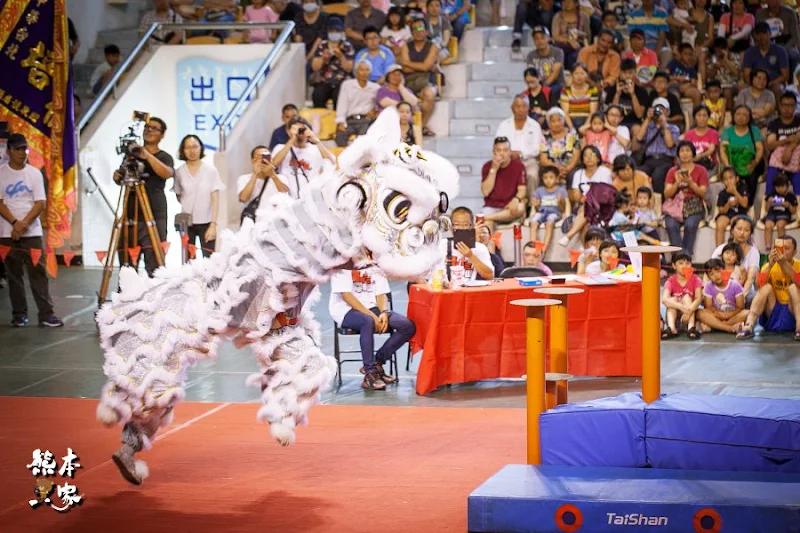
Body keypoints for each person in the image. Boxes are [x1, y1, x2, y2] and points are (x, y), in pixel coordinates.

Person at [0, 134, 63, 327]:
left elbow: (40, 203)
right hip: (6, 231)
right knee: (14, 275)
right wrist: (14, 222)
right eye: (18, 149)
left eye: (24, 149)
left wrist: (23, 224)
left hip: (32, 232)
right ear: (9, 151)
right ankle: (19, 314)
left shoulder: (34, 173)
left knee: (38, 274)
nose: (22, 153)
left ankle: (46, 314)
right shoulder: (1, 172)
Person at [329, 266, 414, 390]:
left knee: (407, 326)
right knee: (367, 321)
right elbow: (347, 296)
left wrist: (383, 312)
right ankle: (370, 373)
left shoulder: (375, 264)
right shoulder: (341, 265)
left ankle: (377, 362)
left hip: (373, 308)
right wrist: (372, 316)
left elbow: (381, 294)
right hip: (346, 310)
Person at [113, 117, 175, 277]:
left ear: (162, 135)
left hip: (154, 214)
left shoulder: (164, 157)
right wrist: (117, 176)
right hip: (131, 213)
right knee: (127, 264)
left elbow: (166, 173)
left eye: (155, 128)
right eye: (147, 127)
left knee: (155, 264)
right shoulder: (131, 157)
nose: (149, 130)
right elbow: (121, 178)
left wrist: (146, 154)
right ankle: (125, 296)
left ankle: (155, 299)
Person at [737, 236, 800, 339]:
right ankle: (749, 326)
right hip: (773, 310)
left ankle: (799, 327)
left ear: (795, 251)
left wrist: (784, 264)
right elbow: (759, 285)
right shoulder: (768, 266)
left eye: (787, 248)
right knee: (766, 288)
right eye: (780, 247)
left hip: (793, 309)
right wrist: (770, 264)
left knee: (793, 287)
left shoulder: (799, 265)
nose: (782, 251)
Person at [173, 135, 225, 258]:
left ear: (201, 148)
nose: (192, 151)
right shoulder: (179, 172)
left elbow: (215, 198)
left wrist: (213, 224)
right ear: (182, 150)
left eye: (195, 146)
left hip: (206, 222)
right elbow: (178, 195)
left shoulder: (210, 170)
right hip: (186, 223)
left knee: (209, 258)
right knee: (188, 260)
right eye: (188, 147)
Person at [663, 140, 709, 257]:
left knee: (690, 224)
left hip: (694, 206)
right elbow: (667, 194)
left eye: (688, 150)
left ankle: (686, 257)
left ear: (693, 153)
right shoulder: (672, 171)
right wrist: (677, 182)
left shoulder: (701, 170)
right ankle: (678, 258)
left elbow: (703, 193)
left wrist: (690, 182)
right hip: (675, 207)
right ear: (678, 154)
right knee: (671, 224)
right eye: (682, 151)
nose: (685, 153)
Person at [271, 118, 336, 198]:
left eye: (302, 129)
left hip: (310, 196)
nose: (299, 133)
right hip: (288, 197)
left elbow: (333, 163)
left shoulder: (315, 149)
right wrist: (292, 139)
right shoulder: (280, 148)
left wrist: (317, 141)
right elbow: (273, 164)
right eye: (296, 129)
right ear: (288, 131)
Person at [495, 95, 545, 192]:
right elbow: (497, 144)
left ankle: (531, 206)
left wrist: (520, 154)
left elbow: (537, 148)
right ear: (512, 108)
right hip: (507, 161)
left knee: (532, 175)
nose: (521, 109)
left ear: (528, 108)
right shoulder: (504, 125)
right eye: (518, 106)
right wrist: (508, 155)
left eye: (524, 106)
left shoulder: (535, 125)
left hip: (529, 161)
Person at [480, 137, 527, 230]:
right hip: (491, 207)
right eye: (498, 150)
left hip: (509, 207)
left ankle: (485, 217)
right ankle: (491, 242)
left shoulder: (519, 166)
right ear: (493, 152)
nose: (502, 154)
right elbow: (485, 192)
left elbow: (522, 190)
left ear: (510, 152)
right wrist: (494, 169)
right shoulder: (487, 166)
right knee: (487, 226)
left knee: (520, 207)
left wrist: (516, 199)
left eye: (505, 150)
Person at [438, 206, 495, 281]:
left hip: (469, 290)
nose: (461, 228)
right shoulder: (442, 245)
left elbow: (490, 275)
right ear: (451, 227)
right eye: (457, 224)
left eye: (465, 224)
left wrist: (470, 256)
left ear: (472, 226)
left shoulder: (480, 248)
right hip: (447, 290)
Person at [697, 258, 748, 333]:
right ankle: (728, 328)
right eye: (711, 274)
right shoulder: (708, 286)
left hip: (733, 315)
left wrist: (727, 315)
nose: (716, 275)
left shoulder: (735, 285)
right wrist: (719, 313)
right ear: (708, 277)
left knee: (747, 313)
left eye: (718, 271)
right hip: (717, 315)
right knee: (699, 312)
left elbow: (740, 307)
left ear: (724, 270)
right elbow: (709, 306)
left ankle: (716, 326)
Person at [334, 61, 379, 147]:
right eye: (361, 70)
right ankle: (344, 159)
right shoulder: (347, 85)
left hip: (366, 121)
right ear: (356, 72)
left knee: (364, 139)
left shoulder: (375, 87)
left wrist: (374, 111)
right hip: (349, 120)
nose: (364, 73)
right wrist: (340, 122)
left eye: (367, 70)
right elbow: (342, 104)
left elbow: (379, 106)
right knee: (340, 136)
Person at [237, 146, 289, 219]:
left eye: (266, 157)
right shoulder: (244, 178)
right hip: (252, 221)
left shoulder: (281, 178)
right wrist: (255, 174)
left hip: (274, 220)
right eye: (259, 157)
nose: (263, 160)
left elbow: (285, 193)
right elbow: (243, 198)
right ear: (253, 161)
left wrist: (273, 175)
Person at [661, 251, 703, 339]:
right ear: (674, 266)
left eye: (687, 263)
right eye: (681, 263)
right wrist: (681, 307)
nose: (685, 266)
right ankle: (672, 329)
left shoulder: (696, 279)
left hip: (690, 315)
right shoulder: (671, 281)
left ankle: (691, 328)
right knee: (672, 300)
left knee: (687, 297)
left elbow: (698, 299)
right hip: (674, 315)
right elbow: (664, 300)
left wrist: (689, 310)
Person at [528, 165, 567, 253]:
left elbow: (563, 209)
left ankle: (543, 250)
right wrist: (536, 205)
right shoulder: (539, 190)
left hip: (555, 212)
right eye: (545, 178)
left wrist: (560, 201)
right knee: (533, 221)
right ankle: (533, 248)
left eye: (551, 177)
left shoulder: (561, 190)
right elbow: (537, 208)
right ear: (542, 178)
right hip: (542, 212)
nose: (548, 180)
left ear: (557, 178)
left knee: (549, 222)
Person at [762, 173, 798, 251]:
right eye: (777, 187)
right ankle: (768, 248)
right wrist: (769, 202)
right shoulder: (771, 194)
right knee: (768, 226)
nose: (780, 189)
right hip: (772, 214)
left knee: (780, 225)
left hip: (784, 215)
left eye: (782, 186)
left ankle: (779, 248)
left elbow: (794, 211)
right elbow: (766, 209)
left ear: (787, 185)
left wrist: (788, 205)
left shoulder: (790, 195)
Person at [713, 167, 749, 246]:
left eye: (731, 178)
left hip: (740, 214)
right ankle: (719, 249)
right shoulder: (722, 193)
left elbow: (745, 204)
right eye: (725, 179)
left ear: (737, 179)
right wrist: (728, 205)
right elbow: (721, 210)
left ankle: (734, 247)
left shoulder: (742, 189)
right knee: (720, 223)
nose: (728, 181)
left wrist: (735, 192)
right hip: (726, 214)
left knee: (735, 222)